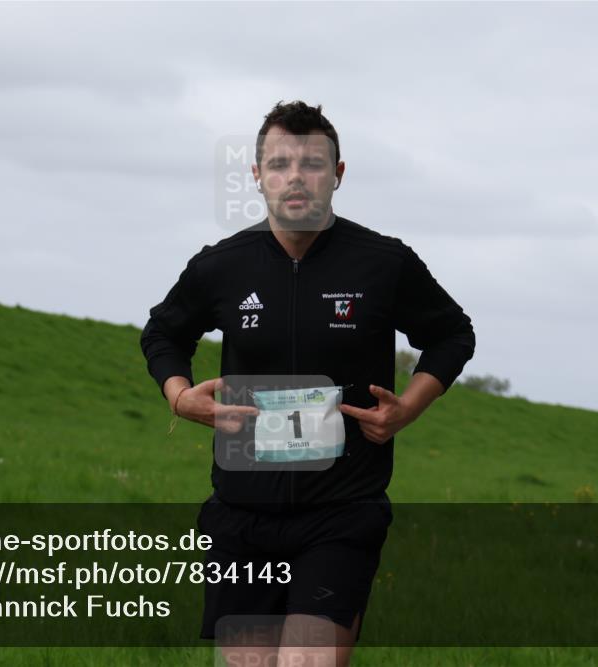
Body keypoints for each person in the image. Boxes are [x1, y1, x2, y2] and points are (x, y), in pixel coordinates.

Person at [140, 100, 476, 666]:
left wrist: (409, 407)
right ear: (257, 176)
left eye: (312, 164)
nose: (295, 177)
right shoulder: (221, 266)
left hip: (342, 512)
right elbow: (162, 334)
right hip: (242, 514)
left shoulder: (384, 263)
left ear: (338, 174)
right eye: (279, 164)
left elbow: (451, 334)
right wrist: (180, 395)